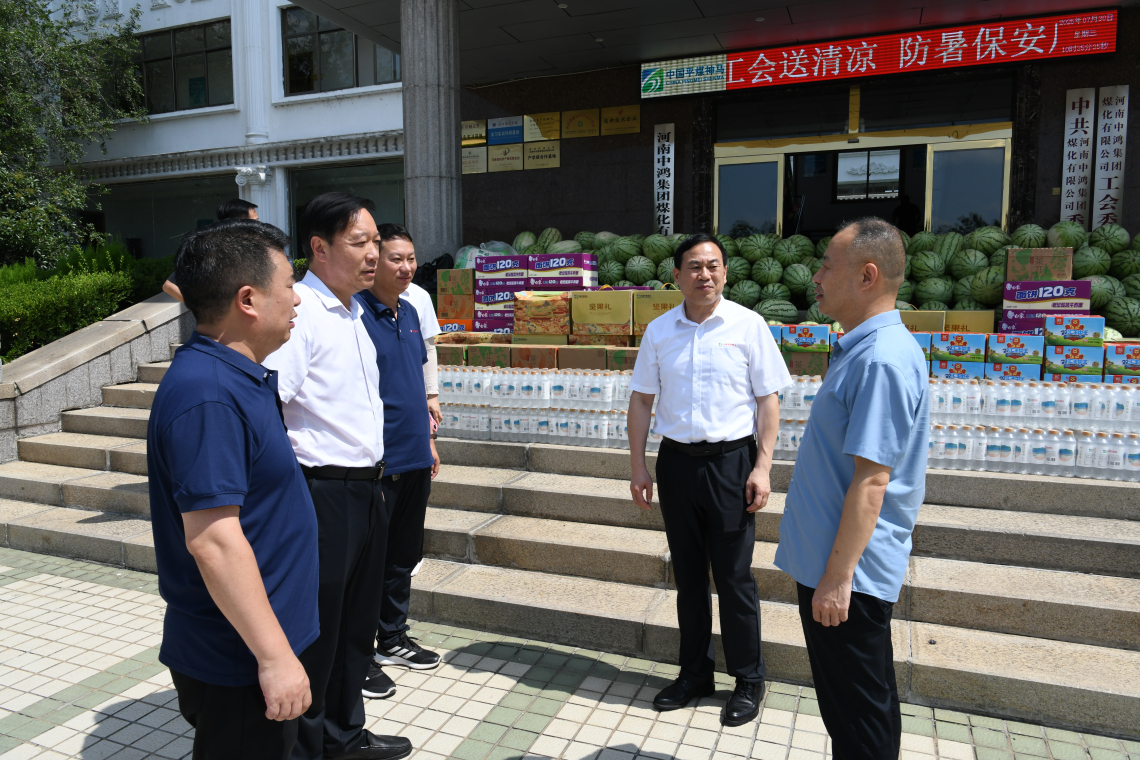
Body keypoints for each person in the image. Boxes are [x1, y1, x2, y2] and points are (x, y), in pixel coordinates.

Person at [147, 219, 316, 758]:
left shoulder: (234, 373)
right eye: (288, 285)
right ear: (248, 300)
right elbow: (214, 541)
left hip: (257, 643)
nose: (297, 299)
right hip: (239, 657)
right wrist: (274, 658)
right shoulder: (209, 396)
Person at [263, 192, 411, 760]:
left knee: (355, 626)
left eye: (376, 242)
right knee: (318, 629)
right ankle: (307, 746)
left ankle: (345, 735)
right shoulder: (300, 313)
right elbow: (270, 405)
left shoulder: (355, 312)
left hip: (368, 487)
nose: (373, 254)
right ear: (319, 248)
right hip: (322, 492)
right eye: (359, 243)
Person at [776, 217, 929, 760]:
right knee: (857, 710)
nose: (815, 277)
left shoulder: (881, 360)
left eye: (826, 266)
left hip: (848, 576)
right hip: (835, 566)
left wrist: (838, 580)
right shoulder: (864, 350)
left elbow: (873, 481)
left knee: (860, 718)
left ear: (867, 276)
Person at [628, 232, 790, 727]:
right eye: (695, 267)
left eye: (714, 265)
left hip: (731, 464)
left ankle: (748, 679)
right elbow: (641, 401)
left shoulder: (749, 325)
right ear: (676, 276)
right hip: (677, 463)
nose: (706, 275)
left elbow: (767, 400)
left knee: (735, 577)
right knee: (689, 577)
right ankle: (695, 673)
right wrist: (638, 465)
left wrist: (762, 467)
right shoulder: (659, 331)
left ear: (725, 272)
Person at [354, 223, 442, 701]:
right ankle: (358, 655)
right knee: (368, 562)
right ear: (374, 260)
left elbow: (416, 384)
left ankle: (392, 637)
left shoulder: (409, 311)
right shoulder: (355, 315)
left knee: (404, 555)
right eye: (396, 258)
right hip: (377, 463)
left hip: (414, 455)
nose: (407, 267)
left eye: (411, 258)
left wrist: (429, 441)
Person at [163, 199, 260, 302]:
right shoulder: (211, 249)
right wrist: (200, 309)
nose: (259, 226)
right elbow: (169, 285)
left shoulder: (253, 248)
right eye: (254, 222)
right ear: (237, 222)